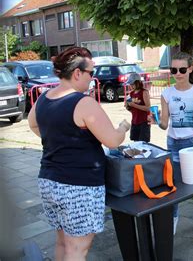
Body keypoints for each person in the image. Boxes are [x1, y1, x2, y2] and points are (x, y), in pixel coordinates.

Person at [28, 47, 130, 261]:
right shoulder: (83, 103)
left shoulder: (44, 97)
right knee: (77, 250)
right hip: (78, 187)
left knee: (62, 242)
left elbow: (33, 123)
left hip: (49, 181)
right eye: (91, 73)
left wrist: (58, 140)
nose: (92, 79)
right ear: (77, 73)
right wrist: (123, 127)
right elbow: (112, 140)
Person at [156, 52, 193, 246]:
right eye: (173, 70)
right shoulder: (167, 94)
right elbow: (165, 124)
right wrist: (156, 121)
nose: (177, 73)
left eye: (182, 69)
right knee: (173, 186)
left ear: (190, 69)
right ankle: (173, 219)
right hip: (173, 144)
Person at [125, 72, 151, 142]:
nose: (131, 86)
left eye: (133, 84)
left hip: (144, 122)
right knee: (135, 143)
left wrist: (134, 105)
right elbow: (132, 110)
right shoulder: (131, 93)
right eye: (130, 84)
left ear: (138, 82)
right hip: (135, 121)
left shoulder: (144, 92)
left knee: (143, 144)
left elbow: (148, 108)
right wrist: (128, 106)